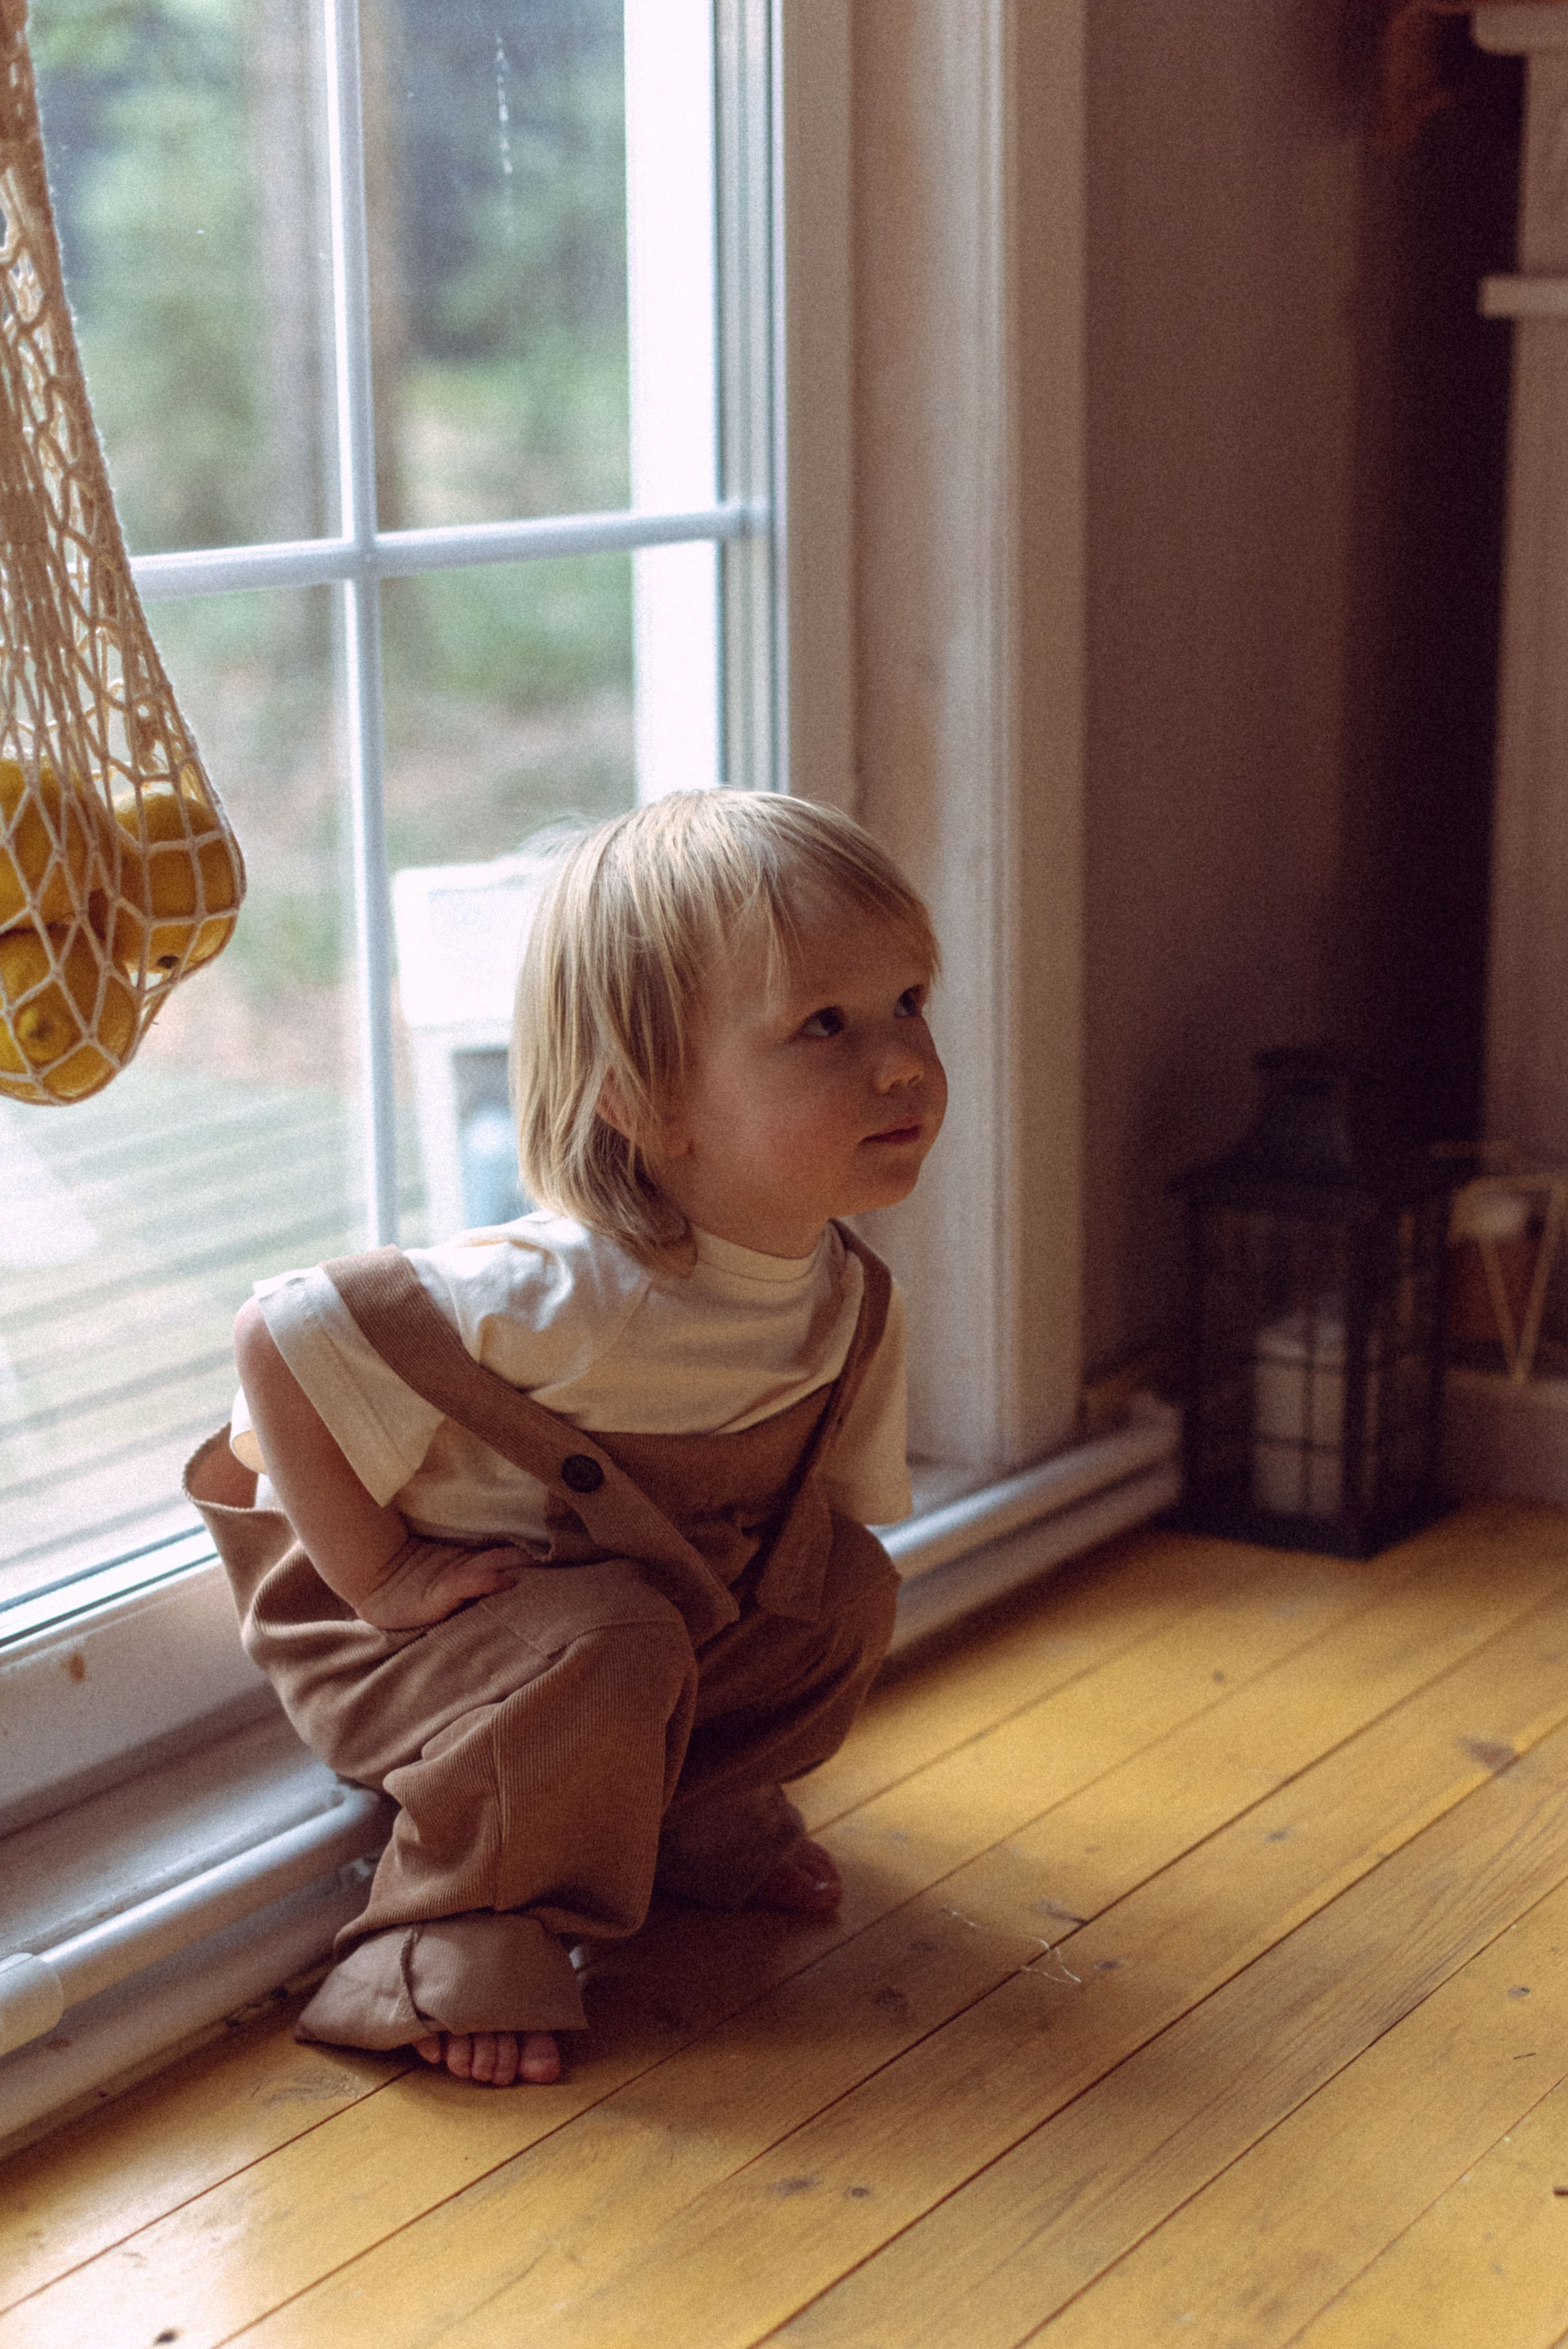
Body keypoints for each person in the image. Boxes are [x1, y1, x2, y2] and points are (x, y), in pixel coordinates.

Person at [186, 790, 946, 2089]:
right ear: (648, 1106)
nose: (899, 1064)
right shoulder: (555, 1297)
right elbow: (281, 1332)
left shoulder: (845, 1297)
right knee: (611, 1636)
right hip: (422, 1649)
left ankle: (683, 1820)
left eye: (908, 1003)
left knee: (844, 1589)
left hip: (634, 1631)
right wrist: (381, 1574)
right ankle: (462, 1926)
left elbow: (825, 1521)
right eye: (823, 1024)